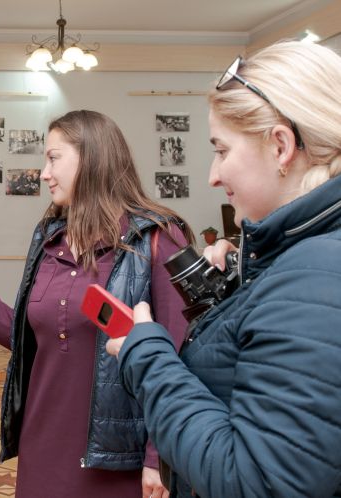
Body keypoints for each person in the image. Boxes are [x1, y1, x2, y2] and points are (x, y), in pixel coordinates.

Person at [106, 41, 341, 497]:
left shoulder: (315, 273)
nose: (213, 176)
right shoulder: (304, 262)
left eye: (222, 150)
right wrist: (243, 293)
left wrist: (147, 357)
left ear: (281, 146)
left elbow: (258, 483)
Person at [0, 110, 194, 497]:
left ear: (92, 159)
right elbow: (32, 337)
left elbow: (179, 355)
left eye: (53, 158)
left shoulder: (157, 238)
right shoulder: (49, 238)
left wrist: (159, 456)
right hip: (42, 443)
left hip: (119, 458)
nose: (44, 173)